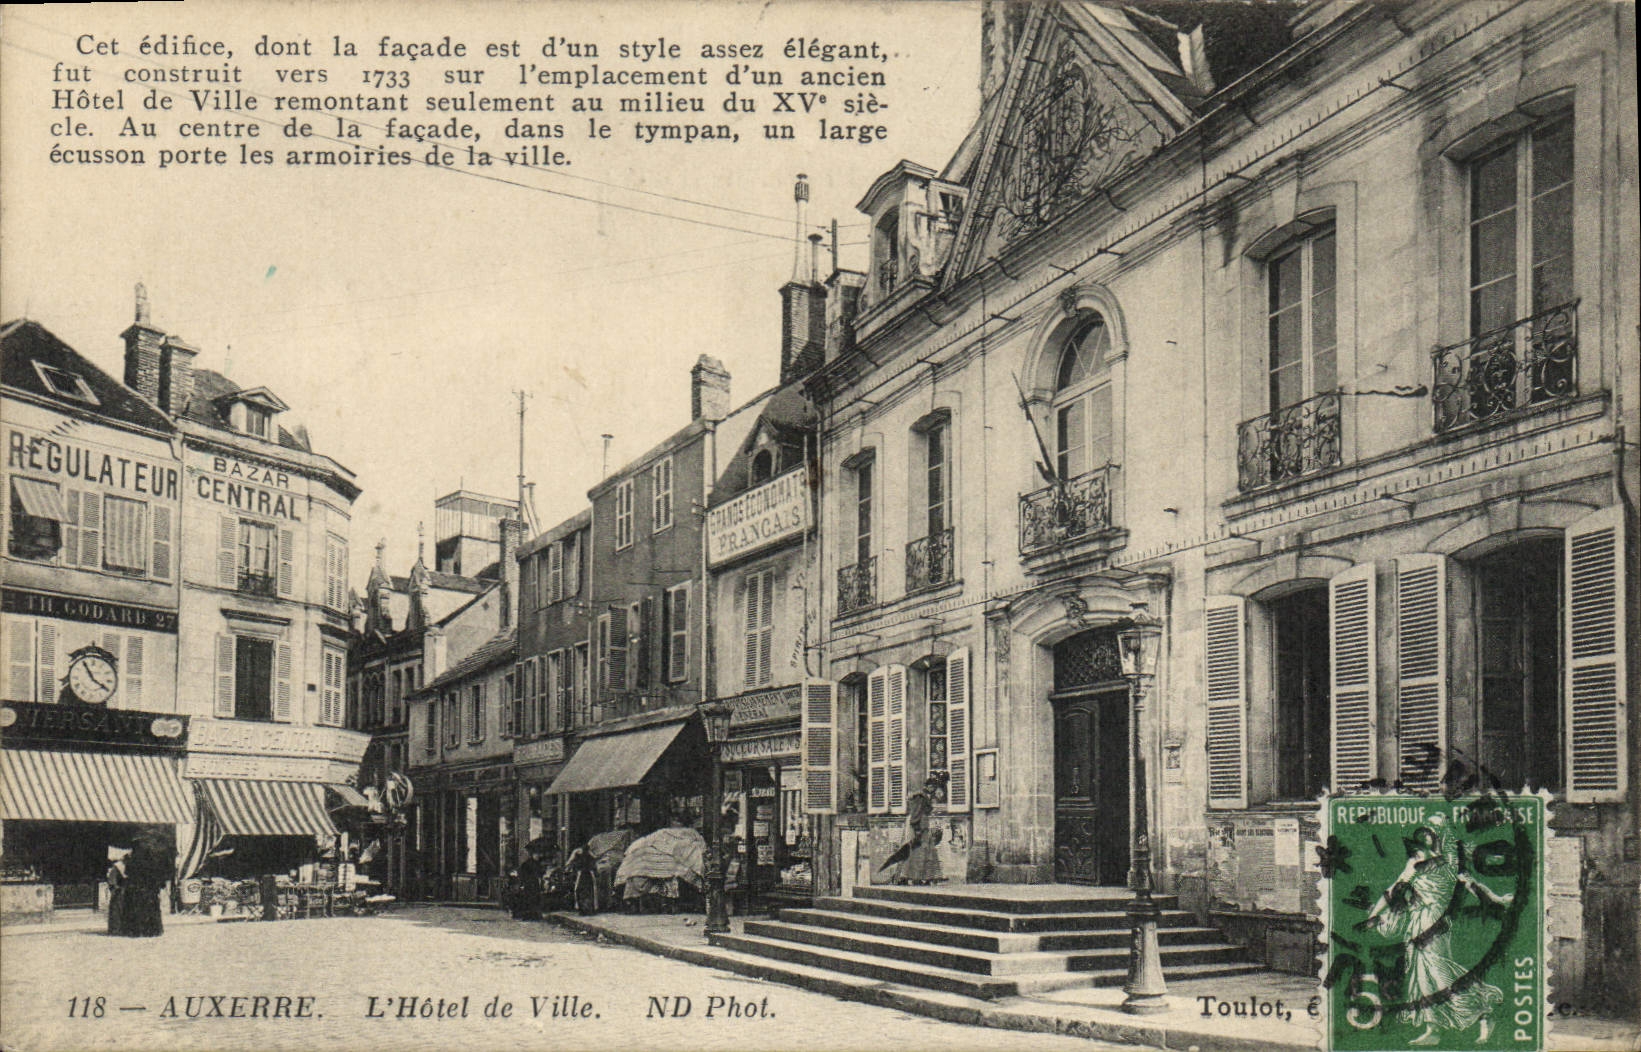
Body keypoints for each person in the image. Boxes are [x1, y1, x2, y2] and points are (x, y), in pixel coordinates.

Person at [1358, 815, 1510, 1045]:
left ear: (1440, 836)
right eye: (1424, 833)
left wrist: (1497, 898)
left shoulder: (1450, 863)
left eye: (1433, 832)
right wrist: (1373, 915)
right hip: (1416, 923)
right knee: (1420, 977)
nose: (1426, 837)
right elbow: (1393, 890)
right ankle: (1433, 1029)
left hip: (1436, 924)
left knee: (1439, 973)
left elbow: (1472, 884)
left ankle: (1484, 1010)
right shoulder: (1414, 863)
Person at [896, 773, 947, 885]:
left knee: (925, 851)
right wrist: (917, 828)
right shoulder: (921, 797)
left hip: (922, 825)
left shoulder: (924, 797)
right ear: (927, 786)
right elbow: (916, 814)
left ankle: (920, 877)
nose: (933, 790)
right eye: (932, 787)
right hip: (917, 825)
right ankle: (910, 877)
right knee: (917, 852)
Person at [511, 844, 545, 921]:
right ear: (532, 855)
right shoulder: (528, 864)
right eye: (536, 854)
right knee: (529, 899)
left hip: (533, 883)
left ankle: (533, 915)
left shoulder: (534, 863)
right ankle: (530, 915)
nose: (537, 856)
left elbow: (540, 873)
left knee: (533, 899)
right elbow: (523, 874)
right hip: (530, 883)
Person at [105, 854, 128, 936]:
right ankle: (115, 930)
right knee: (116, 911)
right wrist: (116, 889)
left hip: (128, 892)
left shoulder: (130, 867)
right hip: (119, 893)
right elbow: (112, 881)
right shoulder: (117, 867)